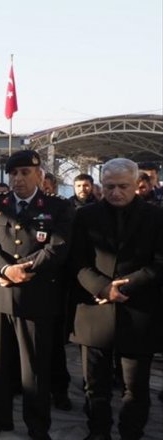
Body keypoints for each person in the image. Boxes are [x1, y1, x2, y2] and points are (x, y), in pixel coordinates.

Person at [0, 150, 74, 439]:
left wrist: (23, 269)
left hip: (36, 298)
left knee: (35, 368)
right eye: (13, 173)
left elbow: (56, 248)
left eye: (25, 173)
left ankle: (37, 425)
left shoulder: (58, 207)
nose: (18, 179)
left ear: (39, 175)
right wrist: (6, 271)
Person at [69, 158, 163, 440]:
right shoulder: (85, 216)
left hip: (138, 311)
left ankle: (130, 432)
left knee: (135, 386)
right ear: (101, 186)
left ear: (138, 185)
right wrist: (102, 288)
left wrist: (127, 285)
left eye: (123, 186)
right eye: (109, 186)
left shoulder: (157, 217)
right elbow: (76, 261)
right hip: (95, 310)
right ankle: (98, 432)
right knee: (94, 385)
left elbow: (160, 262)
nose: (116, 192)